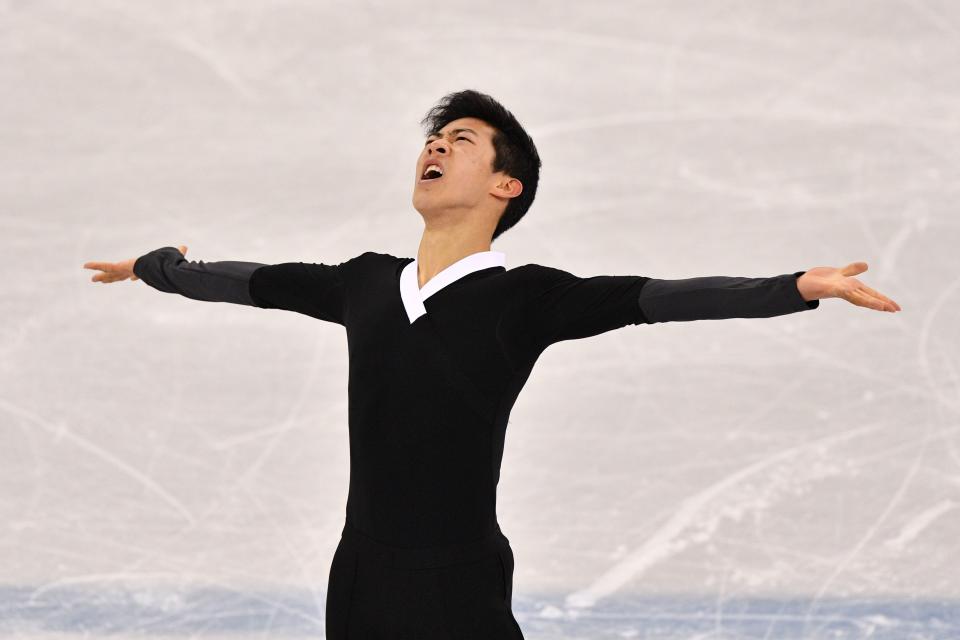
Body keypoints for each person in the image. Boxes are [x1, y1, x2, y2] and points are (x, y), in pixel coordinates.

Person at [83, 89, 901, 639]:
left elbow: (662, 296)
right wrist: (157, 267)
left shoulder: (526, 300)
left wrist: (796, 286)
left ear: (505, 185)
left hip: (459, 583)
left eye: (460, 141)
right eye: (434, 140)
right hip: (360, 572)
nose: (435, 148)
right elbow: (246, 281)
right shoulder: (365, 283)